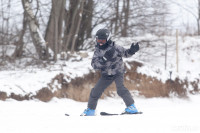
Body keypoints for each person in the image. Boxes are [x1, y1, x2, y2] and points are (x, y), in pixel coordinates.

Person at [81, 28, 139, 116]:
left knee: (120, 89)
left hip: (118, 72)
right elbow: (94, 65)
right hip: (106, 74)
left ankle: (131, 107)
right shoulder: (98, 50)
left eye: (102, 40)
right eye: (98, 40)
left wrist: (132, 51)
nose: (100, 42)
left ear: (108, 39)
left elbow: (126, 53)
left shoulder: (116, 48)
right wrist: (104, 59)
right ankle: (91, 110)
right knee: (95, 91)